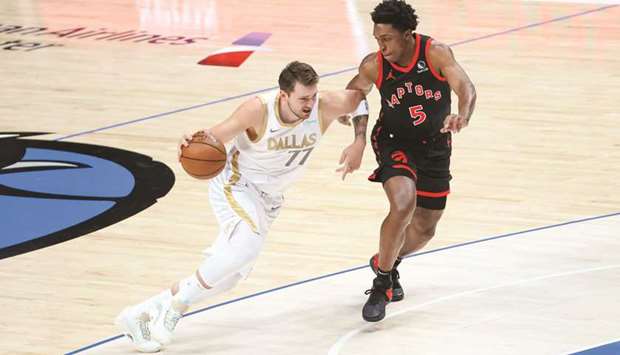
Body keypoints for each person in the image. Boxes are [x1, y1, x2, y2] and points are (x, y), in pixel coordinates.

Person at [115, 61, 368, 352]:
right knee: (246, 246)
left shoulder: (323, 105)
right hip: (236, 184)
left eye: (313, 96)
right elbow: (214, 137)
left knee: (228, 276)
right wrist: (190, 141)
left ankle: (140, 315)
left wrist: (359, 140)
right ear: (283, 95)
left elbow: (359, 98)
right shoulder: (258, 110)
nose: (310, 104)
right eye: (303, 98)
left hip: (270, 198)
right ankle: (175, 311)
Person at [338, 0, 477, 322]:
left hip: (436, 144)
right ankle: (381, 284)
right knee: (402, 204)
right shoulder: (375, 64)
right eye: (377, 39)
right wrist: (357, 134)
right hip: (393, 141)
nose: (381, 46)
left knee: (426, 229)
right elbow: (354, 94)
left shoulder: (435, 53)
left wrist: (463, 115)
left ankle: (386, 260)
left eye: (386, 39)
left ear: (408, 35)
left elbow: (465, 87)